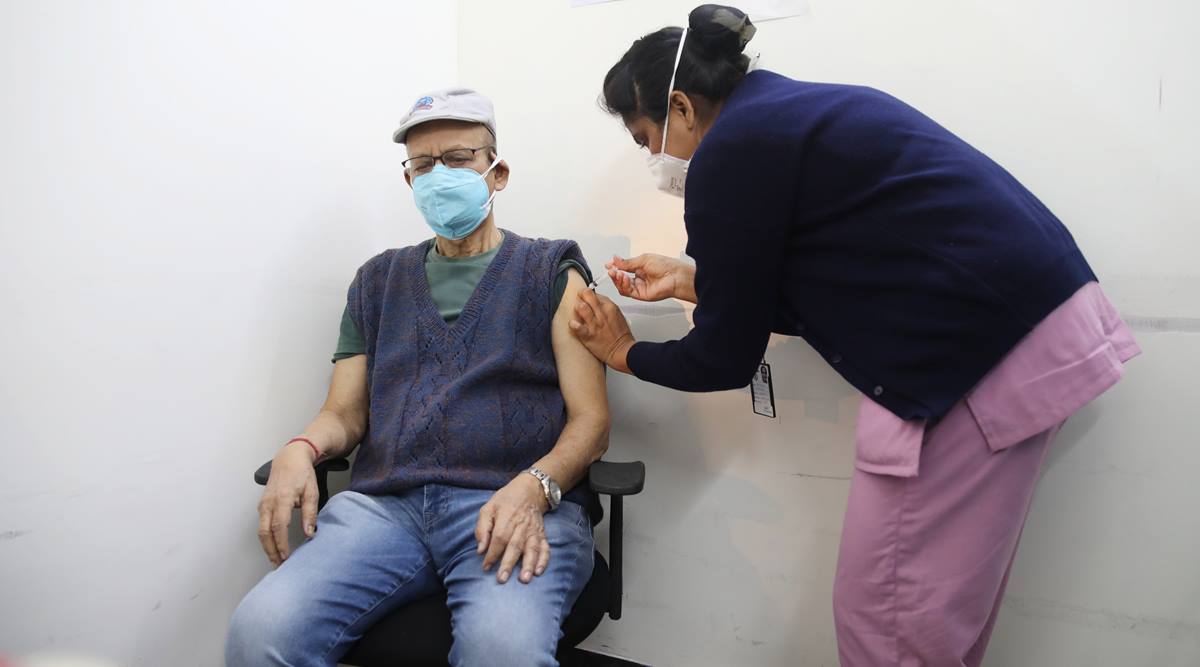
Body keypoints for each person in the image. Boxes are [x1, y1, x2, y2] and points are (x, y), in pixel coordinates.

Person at [568, 5, 1140, 666]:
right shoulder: (782, 114)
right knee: (936, 615)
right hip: (1033, 332)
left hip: (972, 359)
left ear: (682, 107)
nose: (654, 161)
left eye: (646, 138)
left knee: (888, 620)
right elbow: (819, 271)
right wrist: (698, 280)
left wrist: (623, 352)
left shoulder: (732, 151)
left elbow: (725, 355)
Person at [226, 88, 610, 667]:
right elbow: (345, 413)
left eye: (457, 159)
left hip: (510, 499)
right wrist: (300, 449)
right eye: (423, 165)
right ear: (410, 182)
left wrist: (534, 487)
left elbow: (592, 421)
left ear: (496, 171)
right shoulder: (377, 281)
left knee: (500, 653)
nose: (439, 175)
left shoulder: (550, 270)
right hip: (386, 510)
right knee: (259, 634)